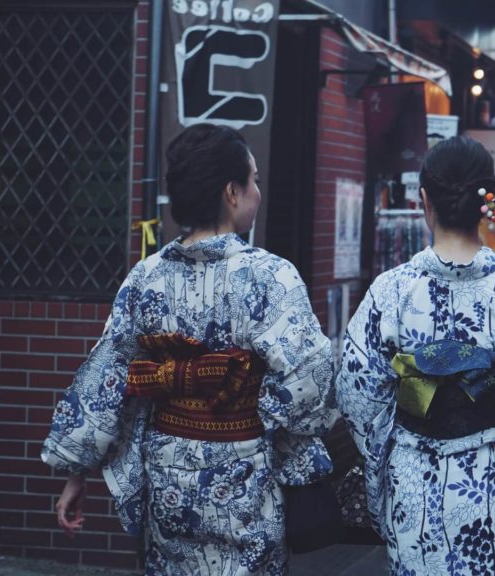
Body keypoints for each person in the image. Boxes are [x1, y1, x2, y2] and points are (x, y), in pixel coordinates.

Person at [41, 124, 337, 573]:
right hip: (244, 478)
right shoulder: (269, 277)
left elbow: (106, 375)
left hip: (168, 477)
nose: (257, 191)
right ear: (231, 192)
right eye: (253, 180)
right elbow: (311, 384)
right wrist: (273, 418)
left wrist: (76, 473)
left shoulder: (146, 277)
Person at [335, 136, 495, 575]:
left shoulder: (391, 290)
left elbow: (357, 395)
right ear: (488, 202)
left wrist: (390, 449)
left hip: (414, 474)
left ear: (423, 201)